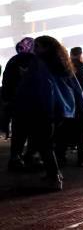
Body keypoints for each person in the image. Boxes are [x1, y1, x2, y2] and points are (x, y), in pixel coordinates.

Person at [14, 36, 83, 190]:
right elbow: (77, 87)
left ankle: (54, 177)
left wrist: (25, 76)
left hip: (43, 108)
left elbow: (40, 86)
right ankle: (54, 174)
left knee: (44, 144)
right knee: (48, 142)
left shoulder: (39, 63)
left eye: (38, 46)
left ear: (46, 47)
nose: (35, 49)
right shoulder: (63, 64)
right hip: (61, 110)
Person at [2, 37, 37, 170]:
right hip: (32, 103)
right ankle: (29, 156)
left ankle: (16, 158)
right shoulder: (35, 61)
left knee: (19, 132)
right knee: (32, 131)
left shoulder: (13, 61)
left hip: (17, 103)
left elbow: (6, 83)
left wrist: (7, 100)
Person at [55, 47, 83, 167]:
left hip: (67, 107)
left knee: (64, 133)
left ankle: (60, 158)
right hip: (79, 107)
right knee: (82, 134)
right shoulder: (81, 70)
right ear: (81, 55)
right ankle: (82, 159)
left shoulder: (64, 68)